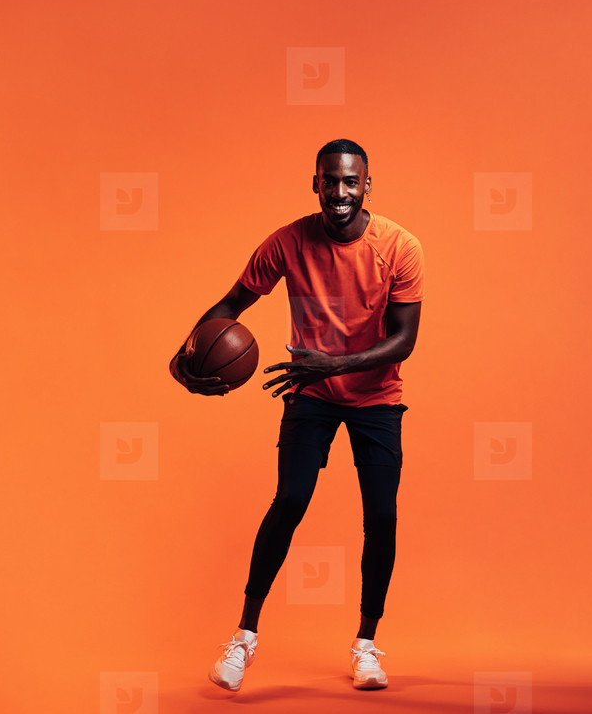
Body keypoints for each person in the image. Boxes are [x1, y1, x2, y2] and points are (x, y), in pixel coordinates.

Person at [169, 139, 424, 692]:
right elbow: (230, 305)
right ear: (315, 183)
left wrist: (331, 363)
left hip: (375, 396)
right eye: (329, 181)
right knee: (289, 501)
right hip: (310, 392)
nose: (339, 193)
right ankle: (243, 640)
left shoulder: (400, 247)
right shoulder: (287, 242)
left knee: (381, 516)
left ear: (367, 187)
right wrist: (184, 352)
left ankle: (366, 647)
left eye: (350, 182)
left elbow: (403, 341)